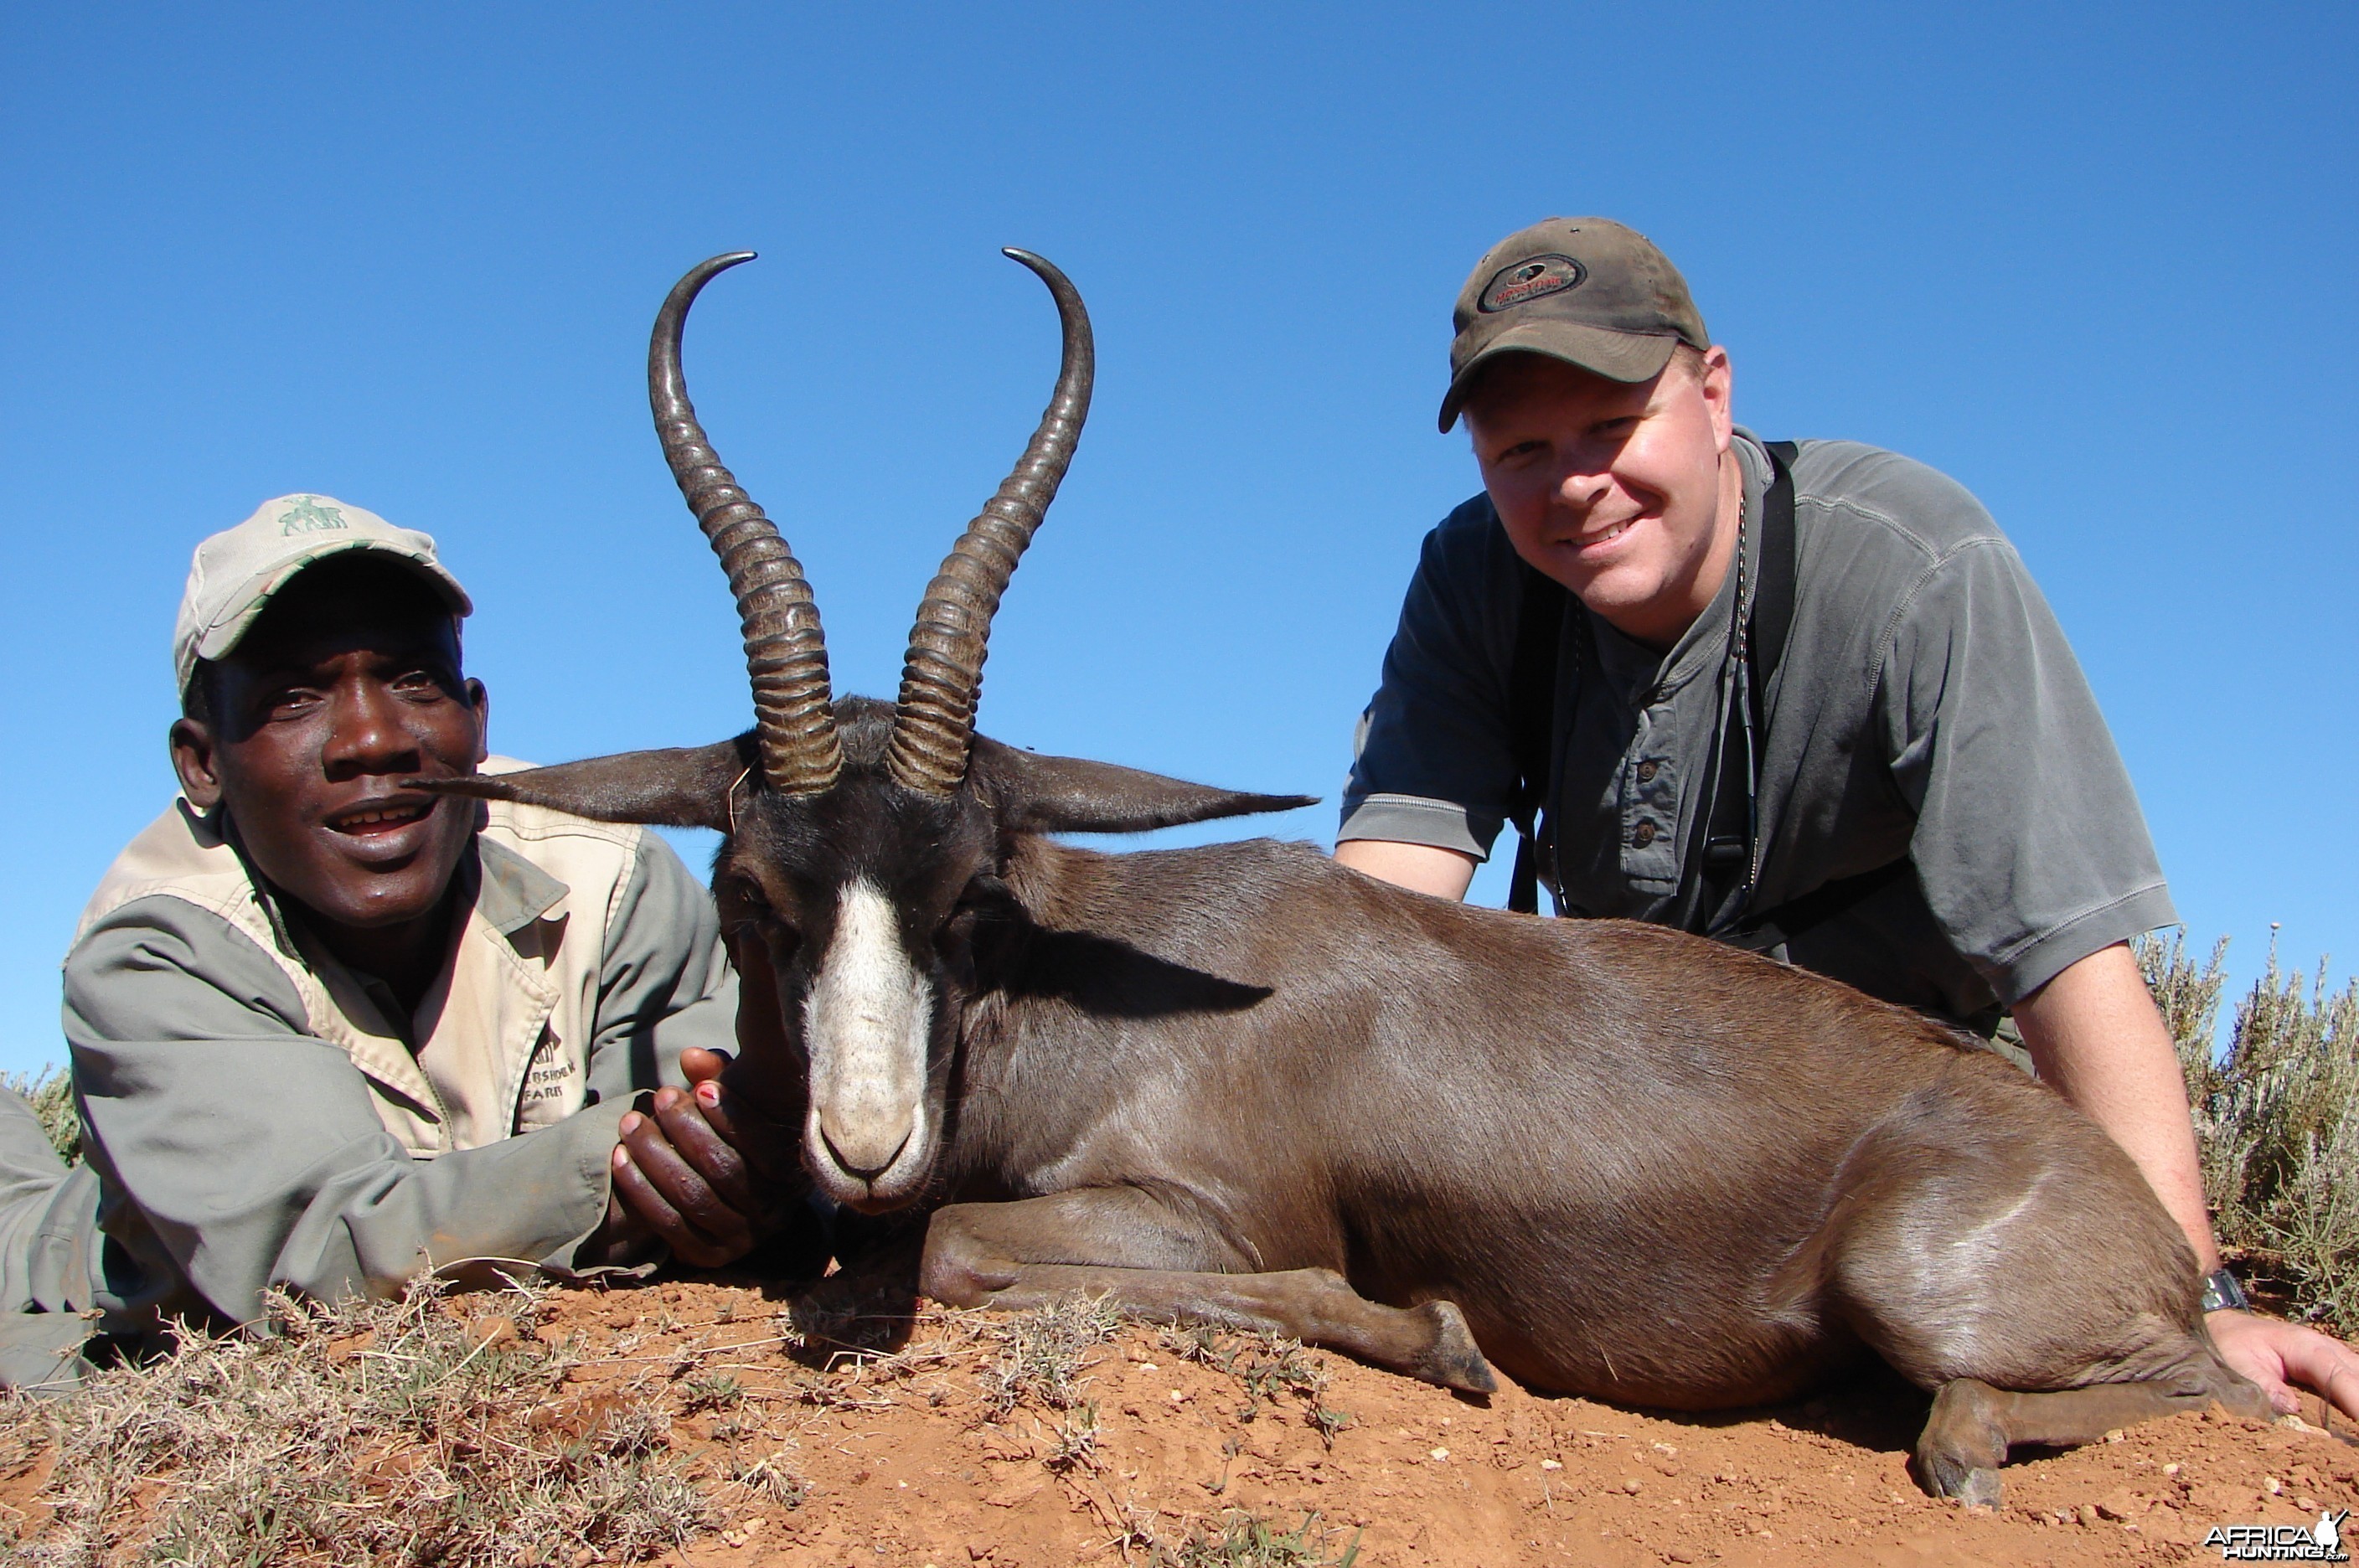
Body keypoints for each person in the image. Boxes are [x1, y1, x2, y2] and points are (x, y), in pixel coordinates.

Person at [1335, 218, 2359, 1421]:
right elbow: (1376, 927)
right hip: (1628, 1119)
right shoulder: (1478, 579)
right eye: (1521, 451)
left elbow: (2069, 960)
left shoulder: (1915, 566)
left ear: (1714, 396)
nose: (1573, 484)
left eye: (1613, 429)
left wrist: (2197, 1301)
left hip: (1872, 1140)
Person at [0, 495, 793, 1390]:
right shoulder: (156, 944)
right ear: (202, 763)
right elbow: (321, 1252)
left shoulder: (608, 877)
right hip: (112, 1257)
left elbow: (704, 1150)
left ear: (477, 720)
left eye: (416, 681)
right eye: (292, 698)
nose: (373, 740)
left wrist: (719, 1169)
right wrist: (629, 1170)